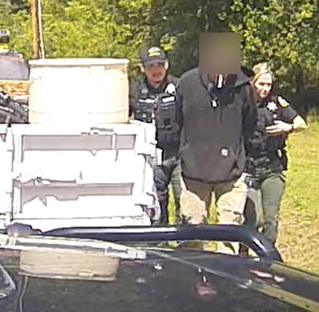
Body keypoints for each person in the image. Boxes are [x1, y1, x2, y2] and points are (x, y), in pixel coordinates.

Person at [173, 62, 257, 250]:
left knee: (230, 231)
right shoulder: (187, 83)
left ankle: (226, 268)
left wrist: (241, 157)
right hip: (194, 171)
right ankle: (195, 268)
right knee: (193, 229)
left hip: (232, 173)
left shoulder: (243, 86)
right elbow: (178, 121)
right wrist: (185, 151)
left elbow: (250, 123)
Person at [244, 63, 306, 245]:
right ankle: (244, 256)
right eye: (261, 84)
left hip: (272, 168)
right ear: (252, 82)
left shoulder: (277, 103)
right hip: (248, 169)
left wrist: (289, 127)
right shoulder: (242, 103)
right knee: (254, 220)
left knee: (270, 221)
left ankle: (267, 257)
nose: (265, 88)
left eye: (268, 85)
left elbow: (301, 123)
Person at [128, 46, 180, 226]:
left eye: (160, 65)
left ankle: (185, 240)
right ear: (143, 68)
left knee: (184, 202)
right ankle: (160, 238)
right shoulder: (134, 90)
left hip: (178, 153)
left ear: (167, 65)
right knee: (156, 202)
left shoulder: (179, 86)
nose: (156, 70)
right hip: (150, 156)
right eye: (151, 66)